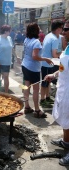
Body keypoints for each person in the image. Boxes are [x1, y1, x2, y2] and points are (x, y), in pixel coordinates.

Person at [44, 19, 69, 166]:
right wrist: (54, 75)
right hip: (64, 88)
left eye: (66, 29)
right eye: (63, 29)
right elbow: (63, 67)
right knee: (65, 118)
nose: (63, 32)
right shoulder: (67, 47)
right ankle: (66, 142)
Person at [21, 23, 53, 118]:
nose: (40, 29)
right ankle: (37, 110)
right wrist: (45, 59)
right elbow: (34, 56)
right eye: (38, 28)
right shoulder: (36, 42)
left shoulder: (27, 39)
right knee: (35, 89)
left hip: (25, 65)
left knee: (27, 86)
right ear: (36, 30)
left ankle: (27, 107)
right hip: (33, 68)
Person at [40, 20, 64, 108]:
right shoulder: (54, 39)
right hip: (48, 63)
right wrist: (62, 53)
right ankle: (42, 100)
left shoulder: (48, 35)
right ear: (58, 29)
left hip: (46, 63)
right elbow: (54, 54)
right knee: (45, 83)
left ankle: (47, 97)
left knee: (48, 82)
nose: (62, 30)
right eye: (62, 28)